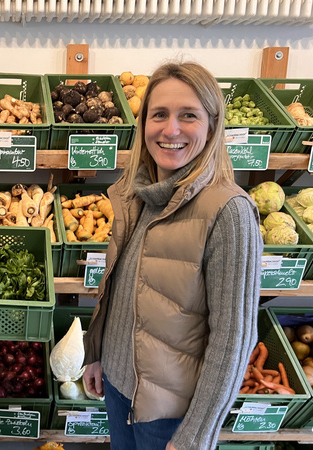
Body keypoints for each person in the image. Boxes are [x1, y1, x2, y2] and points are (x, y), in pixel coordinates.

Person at [82, 61, 263, 450]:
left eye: (189, 116)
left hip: (170, 415)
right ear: (143, 123)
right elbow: (119, 288)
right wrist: (98, 355)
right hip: (119, 389)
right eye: (159, 114)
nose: (171, 129)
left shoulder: (229, 212)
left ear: (212, 126)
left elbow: (234, 338)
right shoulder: (136, 193)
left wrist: (195, 435)